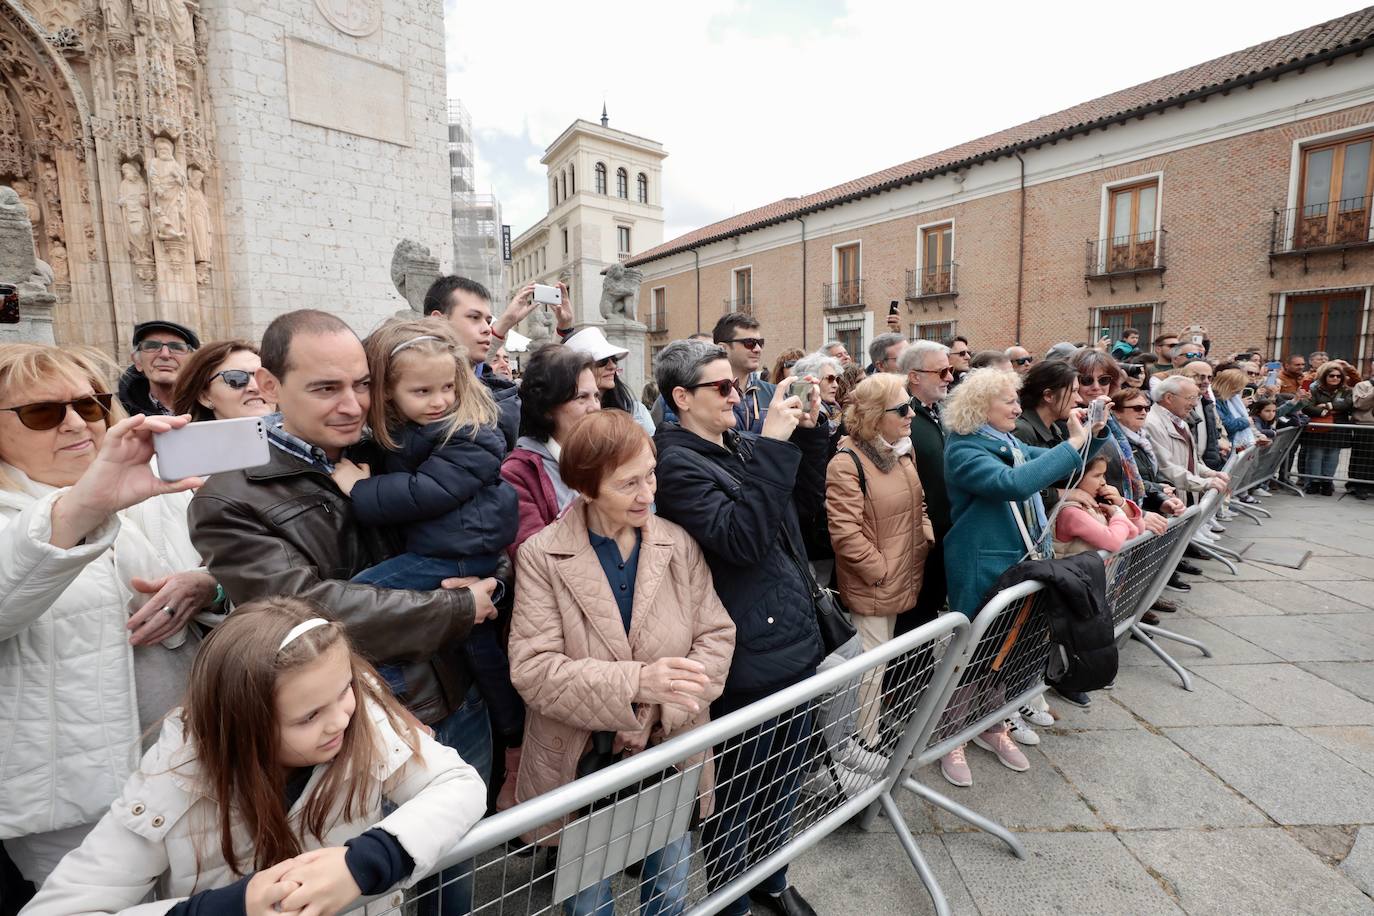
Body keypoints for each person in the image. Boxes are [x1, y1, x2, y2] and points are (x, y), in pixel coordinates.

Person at [21, 597, 488, 916]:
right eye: (307, 717)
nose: (340, 720)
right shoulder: (174, 777)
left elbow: (459, 784)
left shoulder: (360, 708)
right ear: (241, 723)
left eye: (344, 687)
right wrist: (228, 907)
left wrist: (364, 863)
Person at [187, 309, 501, 776]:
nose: (353, 405)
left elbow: (482, 529)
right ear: (270, 386)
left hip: (460, 697)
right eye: (326, 388)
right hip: (358, 736)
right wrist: (455, 608)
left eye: (363, 384)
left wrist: (492, 583)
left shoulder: (396, 450)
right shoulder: (228, 499)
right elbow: (304, 614)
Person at [1, 344, 216, 890]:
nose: (75, 423)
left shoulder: (155, 489)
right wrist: (83, 508)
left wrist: (208, 586)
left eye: (92, 404)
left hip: (193, 760)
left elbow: (227, 573)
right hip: (70, 794)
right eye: (43, 413)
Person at [508, 410, 736, 916]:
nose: (647, 493)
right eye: (628, 483)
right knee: (588, 900)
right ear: (586, 488)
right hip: (584, 760)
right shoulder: (542, 556)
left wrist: (655, 709)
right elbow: (534, 669)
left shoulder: (676, 543)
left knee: (672, 888)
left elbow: (717, 636)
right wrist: (637, 684)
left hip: (669, 748)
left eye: (650, 474)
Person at [652, 338, 825, 916]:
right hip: (747, 649)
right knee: (737, 794)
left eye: (738, 383)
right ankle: (731, 898)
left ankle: (772, 878)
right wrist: (774, 444)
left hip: (791, 634)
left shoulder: (737, 445)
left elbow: (805, 512)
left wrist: (807, 435)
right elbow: (742, 541)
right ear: (682, 397)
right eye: (721, 387)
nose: (739, 392)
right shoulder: (673, 463)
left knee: (786, 779)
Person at [938, 367, 1107, 784]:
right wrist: (1073, 443)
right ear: (981, 407)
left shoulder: (1006, 441)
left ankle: (992, 726)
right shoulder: (963, 450)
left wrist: (1093, 434)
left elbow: (1047, 466)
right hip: (982, 563)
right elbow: (1013, 483)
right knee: (973, 656)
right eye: (1009, 401)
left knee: (1007, 652)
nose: (1018, 407)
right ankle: (948, 736)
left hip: (1019, 560)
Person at [826, 373, 931, 747]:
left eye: (911, 406)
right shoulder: (846, 462)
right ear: (873, 416)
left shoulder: (901, 449)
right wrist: (880, 571)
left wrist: (924, 535)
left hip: (904, 572)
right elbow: (845, 533)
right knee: (869, 669)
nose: (911, 414)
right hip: (875, 583)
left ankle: (867, 734)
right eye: (902, 408)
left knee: (881, 663)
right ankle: (861, 742)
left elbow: (918, 503)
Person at [426, 277, 572, 451]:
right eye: (474, 317)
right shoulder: (403, 390)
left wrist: (564, 329)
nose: (487, 328)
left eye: (488, 321)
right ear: (438, 321)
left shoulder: (496, 389)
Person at [501, 346, 600, 556]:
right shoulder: (517, 473)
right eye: (581, 397)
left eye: (596, 396)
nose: (595, 407)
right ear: (546, 408)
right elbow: (533, 559)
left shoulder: (604, 456)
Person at [897, 341, 952, 632]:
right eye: (942, 371)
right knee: (912, 625)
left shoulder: (939, 412)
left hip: (942, 538)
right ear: (914, 376)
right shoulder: (899, 416)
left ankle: (922, 677)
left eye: (950, 370)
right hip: (914, 543)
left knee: (928, 617)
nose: (950, 377)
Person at [791, 350, 844, 584]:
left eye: (837, 379)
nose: (835, 385)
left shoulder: (837, 415)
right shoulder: (798, 419)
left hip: (828, 513)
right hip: (808, 516)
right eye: (829, 379)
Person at [1144, 376, 1231, 503]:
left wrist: (1210, 474)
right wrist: (1204, 483)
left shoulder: (1181, 422)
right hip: (1171, 500)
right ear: (1169, 398)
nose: (1195, 403)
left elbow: (1189, 461)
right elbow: (1165, 468)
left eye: (1197, 398)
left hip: (1185, 494)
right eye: (1190, 398)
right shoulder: (1152, 424)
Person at [1013, 359, 1080, 512]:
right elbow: (1019, 488)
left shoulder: (1055, 429)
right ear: (1049, 396)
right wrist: (1063, 494)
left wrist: (1094, 432)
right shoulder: (1022, 430)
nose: (1079, 399)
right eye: (1074, 391)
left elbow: (1069, 470)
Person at [565, 325, 655, 434]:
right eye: (603, 361)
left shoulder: (636, 411)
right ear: (581, 369)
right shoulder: (568, 416)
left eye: (614, 359)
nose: (612, 366)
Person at [1052, 455, 1146, 557]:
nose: (1103, 482)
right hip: (1072, 572)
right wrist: (1118, 514)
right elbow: (1113, 541)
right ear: (1076, 477)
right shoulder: (1070, 512)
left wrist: (1120, 503)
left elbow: (1138, 529)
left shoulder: (1095, 505)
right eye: (1097, 476)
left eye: (1103, 475)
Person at [171, 339, 276, 421]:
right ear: (204, 397)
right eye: (236, 378)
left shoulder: (291, 444)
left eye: (265, 378)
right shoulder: (183, 448)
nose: (256, 387)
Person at [116, 319, 200, 417]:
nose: (165, 355)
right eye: (152, 346)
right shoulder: (116, 412)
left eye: (176, 347)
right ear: (138, 362)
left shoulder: (214, 406)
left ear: (193, 361)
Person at [713, 312, 774, 433]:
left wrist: (810, 429)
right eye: (749, 343)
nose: (758, 349)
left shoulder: (774, 393)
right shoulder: (704, 393)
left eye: (760, 343)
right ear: (723, 348)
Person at [1302, 361, 1355, 495]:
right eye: (1331, 375)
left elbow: (1348, 405)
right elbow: (1307, 406)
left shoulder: (1347, 390)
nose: (1335, 378)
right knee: (1315, 454)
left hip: (1338, 427)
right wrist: (1322, 412)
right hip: (1318, 425)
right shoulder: (1314, 389)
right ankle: (1313, 482)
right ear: (1325, 376)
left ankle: (1327, 482)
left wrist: (1326, 406)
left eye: (1338, 376)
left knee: (1333, 455)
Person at [1350, 375, 1374, 500]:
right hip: (1366, 425)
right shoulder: (1362, 386)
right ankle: (1359, 485)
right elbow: (1359, 404)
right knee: (1363, 457)